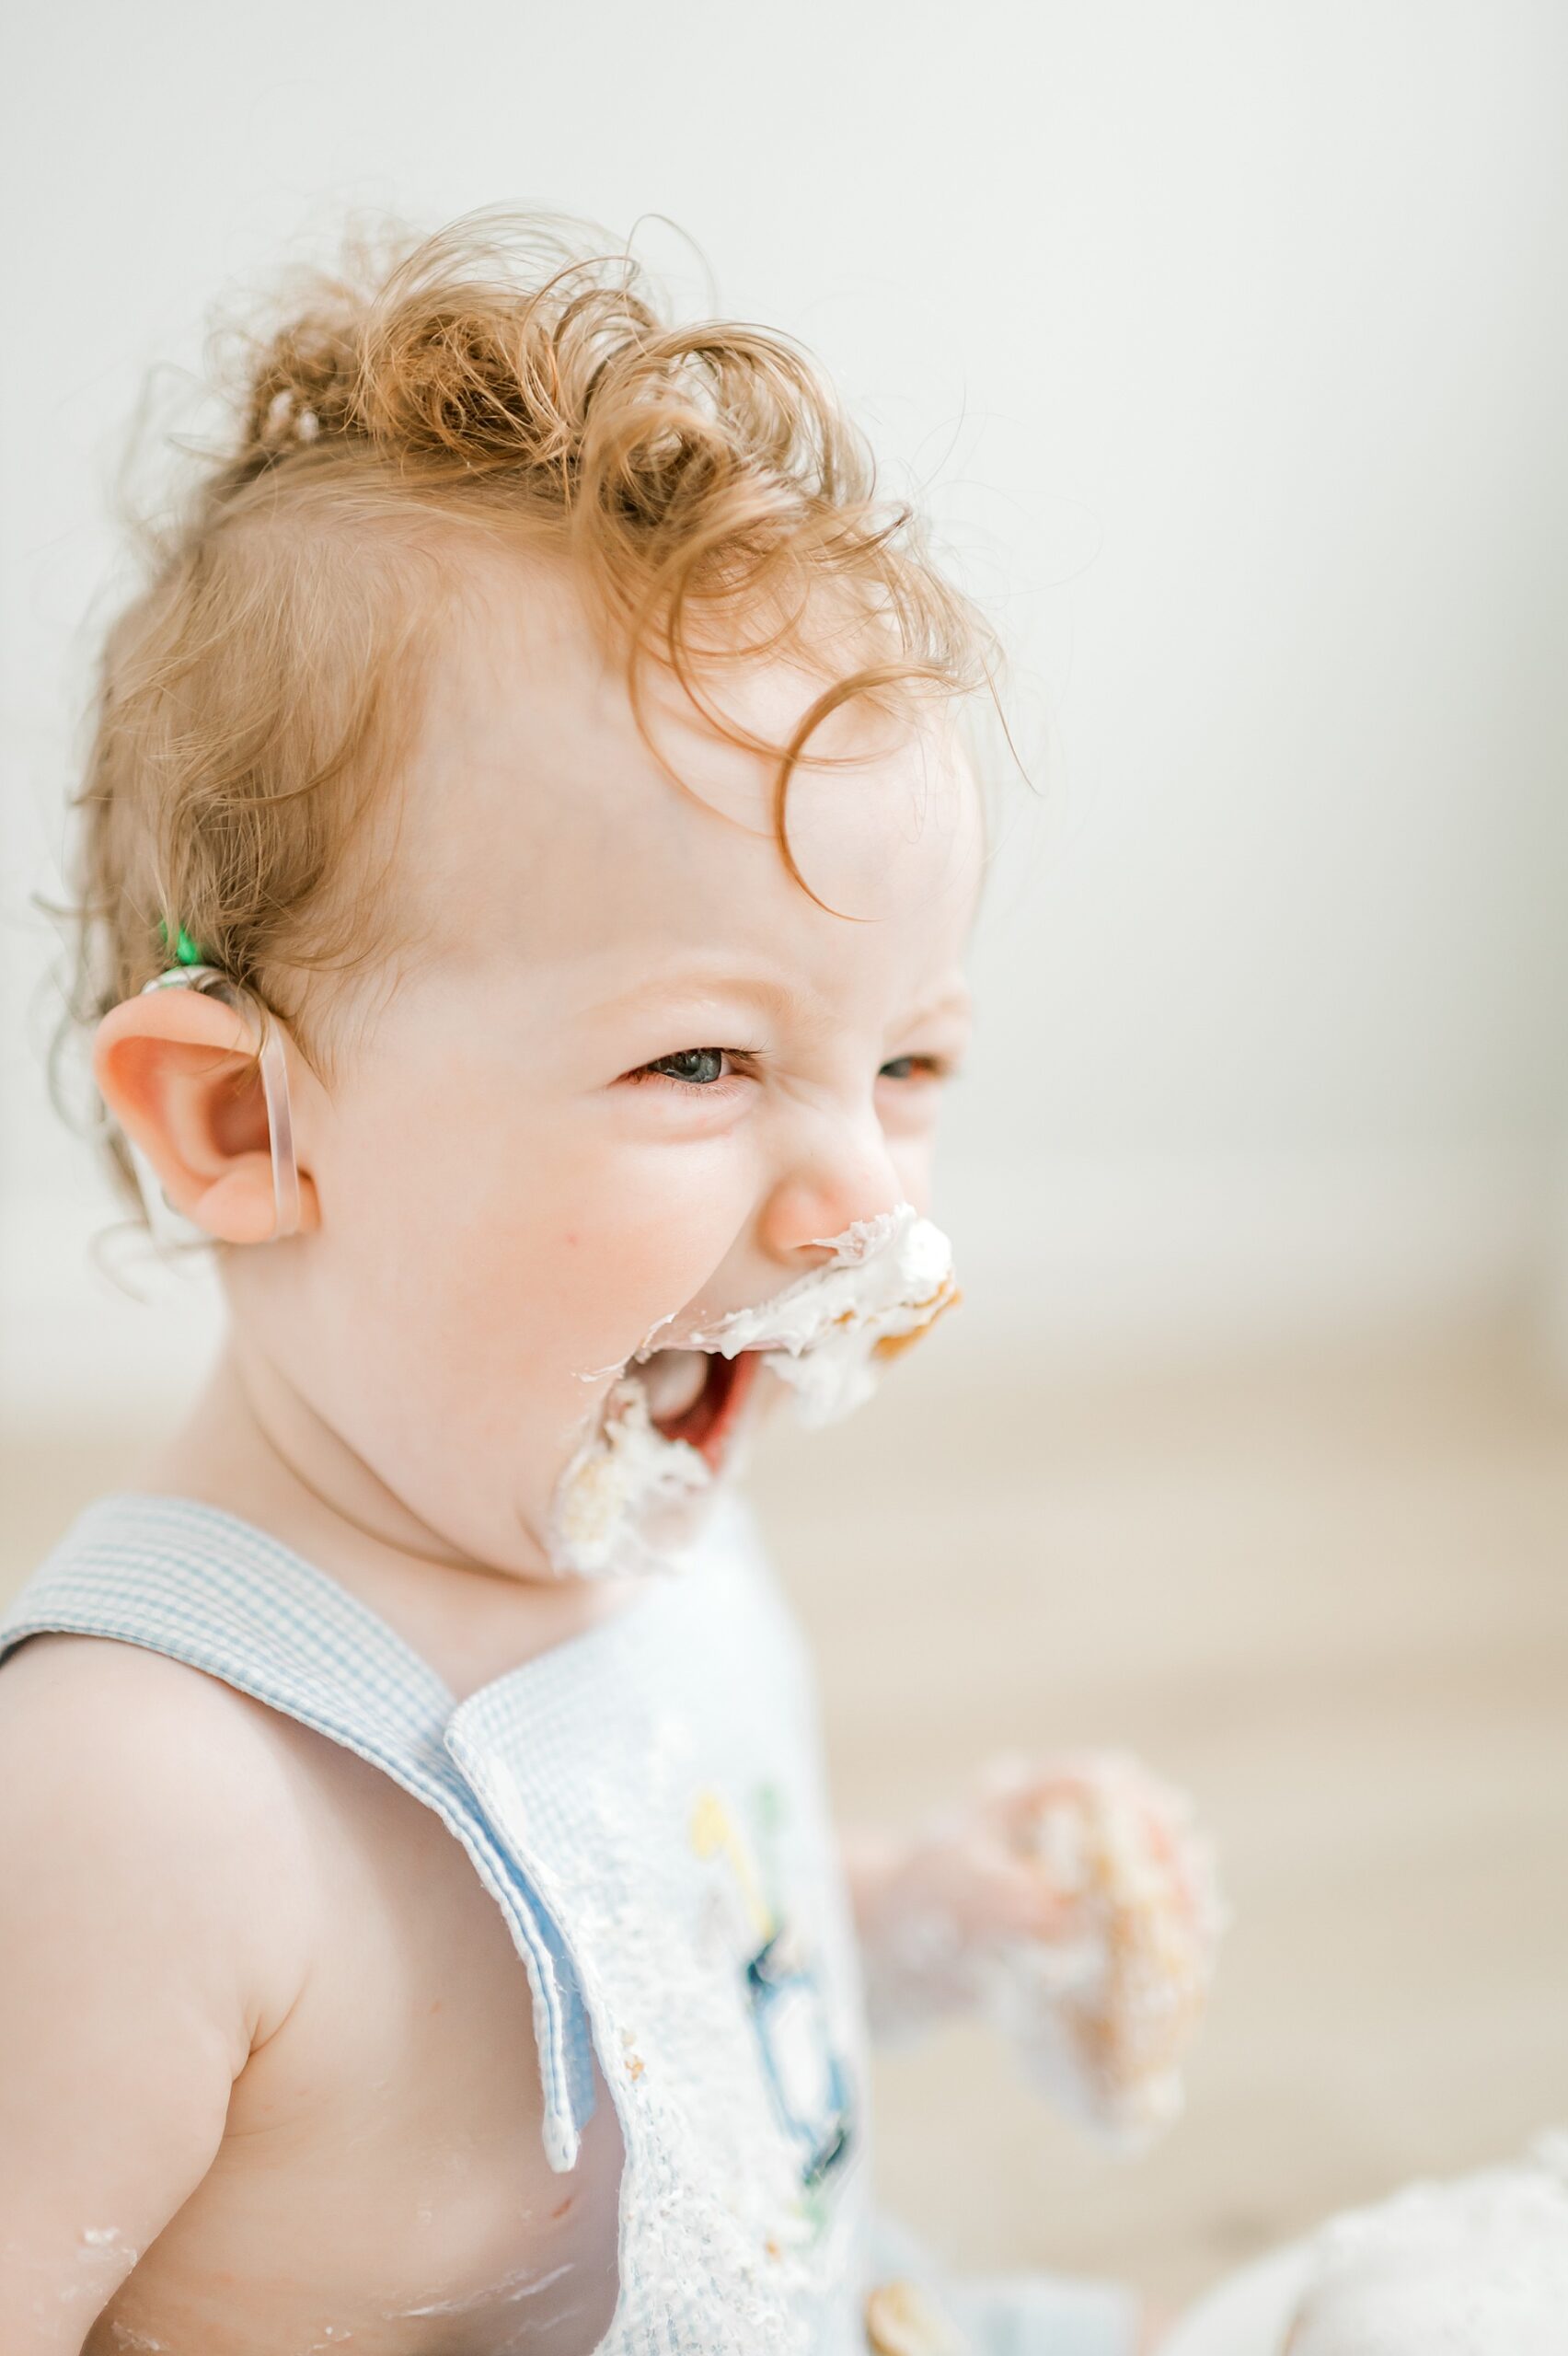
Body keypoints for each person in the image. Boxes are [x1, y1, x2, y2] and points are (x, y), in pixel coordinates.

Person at [0, 214, 1206, 2355]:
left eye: (909, 1062)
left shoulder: (651, 1540)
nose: (869, 1211)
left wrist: (917, 1922)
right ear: (240, 1129)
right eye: (702, 1060)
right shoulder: (131, 1800)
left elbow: (643, 1953)